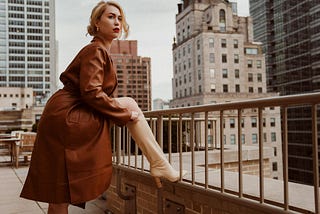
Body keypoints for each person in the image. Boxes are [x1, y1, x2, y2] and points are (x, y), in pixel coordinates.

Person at [20, 1, 186, 213]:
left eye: (119, 18)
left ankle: (159, 163)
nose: (117, 22)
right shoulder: (96, 50)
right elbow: (91, 92)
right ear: (97, 22)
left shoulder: (97, 50)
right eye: (110, 17)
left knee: (59, 196)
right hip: (69, 115)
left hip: (61, 114)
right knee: (129, 104)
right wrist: (125, 115)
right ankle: (159, 163)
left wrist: (124, 113)